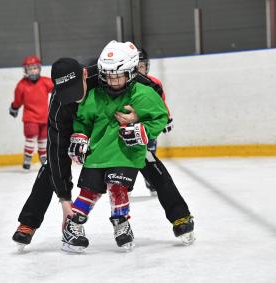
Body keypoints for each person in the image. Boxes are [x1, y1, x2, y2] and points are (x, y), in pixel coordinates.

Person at [12, 55, 194, 251]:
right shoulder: (59, 103)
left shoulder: (107, 72)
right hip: (78, 129)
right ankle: (28, 223)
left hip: (115, 130)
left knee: (149, 161)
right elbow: (56, 149)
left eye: (75, 90)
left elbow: (152, 89)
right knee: (50, 165)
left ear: (84, 74)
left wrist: (138, 115)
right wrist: (66, 203)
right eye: (67, 94)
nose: (74, 98)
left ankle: (180, 216)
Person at [63, 40, 168, 252]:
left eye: (117, 74)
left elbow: (160, 117)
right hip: (98, 154)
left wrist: (144, 131)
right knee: (88, 192)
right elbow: (83, 119)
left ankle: (121, 224)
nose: (112, 79)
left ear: (131, 72)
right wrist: (79, 136)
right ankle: (72, 227)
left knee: (118, 187)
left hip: (126, 154)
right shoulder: (95, 96)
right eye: (108, 74)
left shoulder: (144, 94)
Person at [134, 48, 174, 194]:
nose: (139, 70)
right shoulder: (126, 84)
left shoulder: (154, 83)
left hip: (149, 127)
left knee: (149, 155)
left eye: (141, 66)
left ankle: (152, 182)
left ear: (147, 66)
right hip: (130, 126)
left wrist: (166, 118)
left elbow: (161, 104)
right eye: (135, 66)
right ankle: (125, 186)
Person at [9, 55, 54, 169]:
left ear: (39, 68)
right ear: (26, 71)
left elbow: (55, 88)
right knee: (31, 136)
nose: (33, 71)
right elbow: (18, 100)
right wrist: (14, 107)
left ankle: (43, 156)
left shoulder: (45, 81)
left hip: (44, 117)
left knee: (43, 138)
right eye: (30, 69)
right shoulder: (21, 85)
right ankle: (28, 157)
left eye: (34, 68)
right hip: (30, 118)